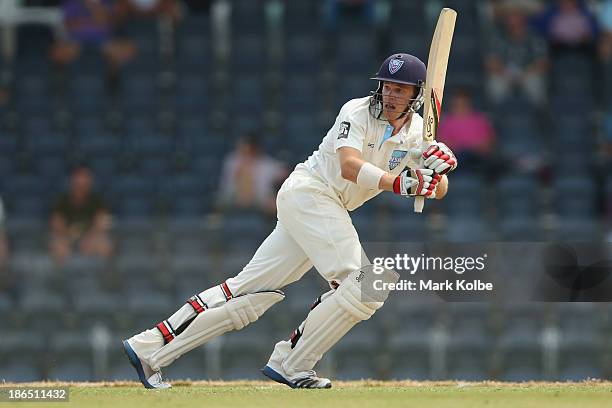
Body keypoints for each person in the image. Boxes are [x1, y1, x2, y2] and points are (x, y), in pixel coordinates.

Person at [122, 53, 458, 389]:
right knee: (367, 286)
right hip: (312, 193)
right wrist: (397, 182)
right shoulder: (356, 111)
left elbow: (436, 189)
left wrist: (439, 168)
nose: (390, 95)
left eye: (400, 89)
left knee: (246, 293)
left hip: (321, 208)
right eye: (386, 86)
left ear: (415, 93)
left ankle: (149, 348)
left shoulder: (417, 134)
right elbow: (349, 166)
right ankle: (292, 363)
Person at [485, 3, 548, 106]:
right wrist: (505, 73)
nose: (512, 19)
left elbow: (543, 62)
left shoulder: (534, 36)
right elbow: (490, 61)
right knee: (495, 84)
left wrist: (524, 75)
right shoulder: (498, 36)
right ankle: (495, 115)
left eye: (515, 16)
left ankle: (540, 115)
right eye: (509, 16)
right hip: (504, 73)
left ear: (523, 18)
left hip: (528, 73)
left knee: (535, 83)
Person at [50, 165, 113, 264]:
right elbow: (56, 223)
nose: (81, 182)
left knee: (105, 247)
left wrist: (91, 236)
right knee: (59, 247)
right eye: (79, 178)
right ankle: (61, 276)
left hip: (91, 236)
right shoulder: (62, 200)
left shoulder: (98, 200)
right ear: (72, 181)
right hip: (67, 236)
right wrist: (67, 236)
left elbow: (104, 223)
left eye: (85, 178)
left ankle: (102, 276)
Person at [217, 133, 288, 217]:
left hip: (260, 202)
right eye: (242, 150)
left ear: (255, 150)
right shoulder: (232, 161)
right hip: (233, 200)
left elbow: (284, 172)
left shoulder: (267, 164)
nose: (245, 154)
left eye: (248, 151)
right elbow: (226, 188)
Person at [51, 0, 136, 67]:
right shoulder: (71, 2)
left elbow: (107, 22)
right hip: (75, 40)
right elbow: (69, 25)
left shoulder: (108, 2)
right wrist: (93, 22)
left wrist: (92, 5)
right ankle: (63, 81)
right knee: (57, 53)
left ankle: (112, 81)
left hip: (103, 40)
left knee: (127, 50)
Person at [438, 89, 495, 172]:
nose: (460, 107)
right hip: (455, 160)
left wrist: (464, 146)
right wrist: (469, 145)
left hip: (478, 160)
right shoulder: (445, 121)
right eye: (457, 104)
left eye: (463, 104)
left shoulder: (480, 120)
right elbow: (443, 145)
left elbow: (487, 145)